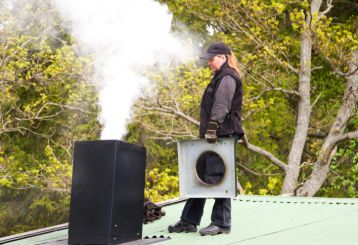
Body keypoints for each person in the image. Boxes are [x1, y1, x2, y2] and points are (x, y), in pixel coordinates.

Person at [168, 42, 244, 236]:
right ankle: (188, 221)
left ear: (223, 57)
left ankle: (221, 223)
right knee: (199, 176)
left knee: (220, 178)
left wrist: (213, 127)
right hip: (213, 135)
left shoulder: (227, 77)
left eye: (212, 59)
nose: (209, 62)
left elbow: (222, 103)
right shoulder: (219, 77)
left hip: (221, 134)